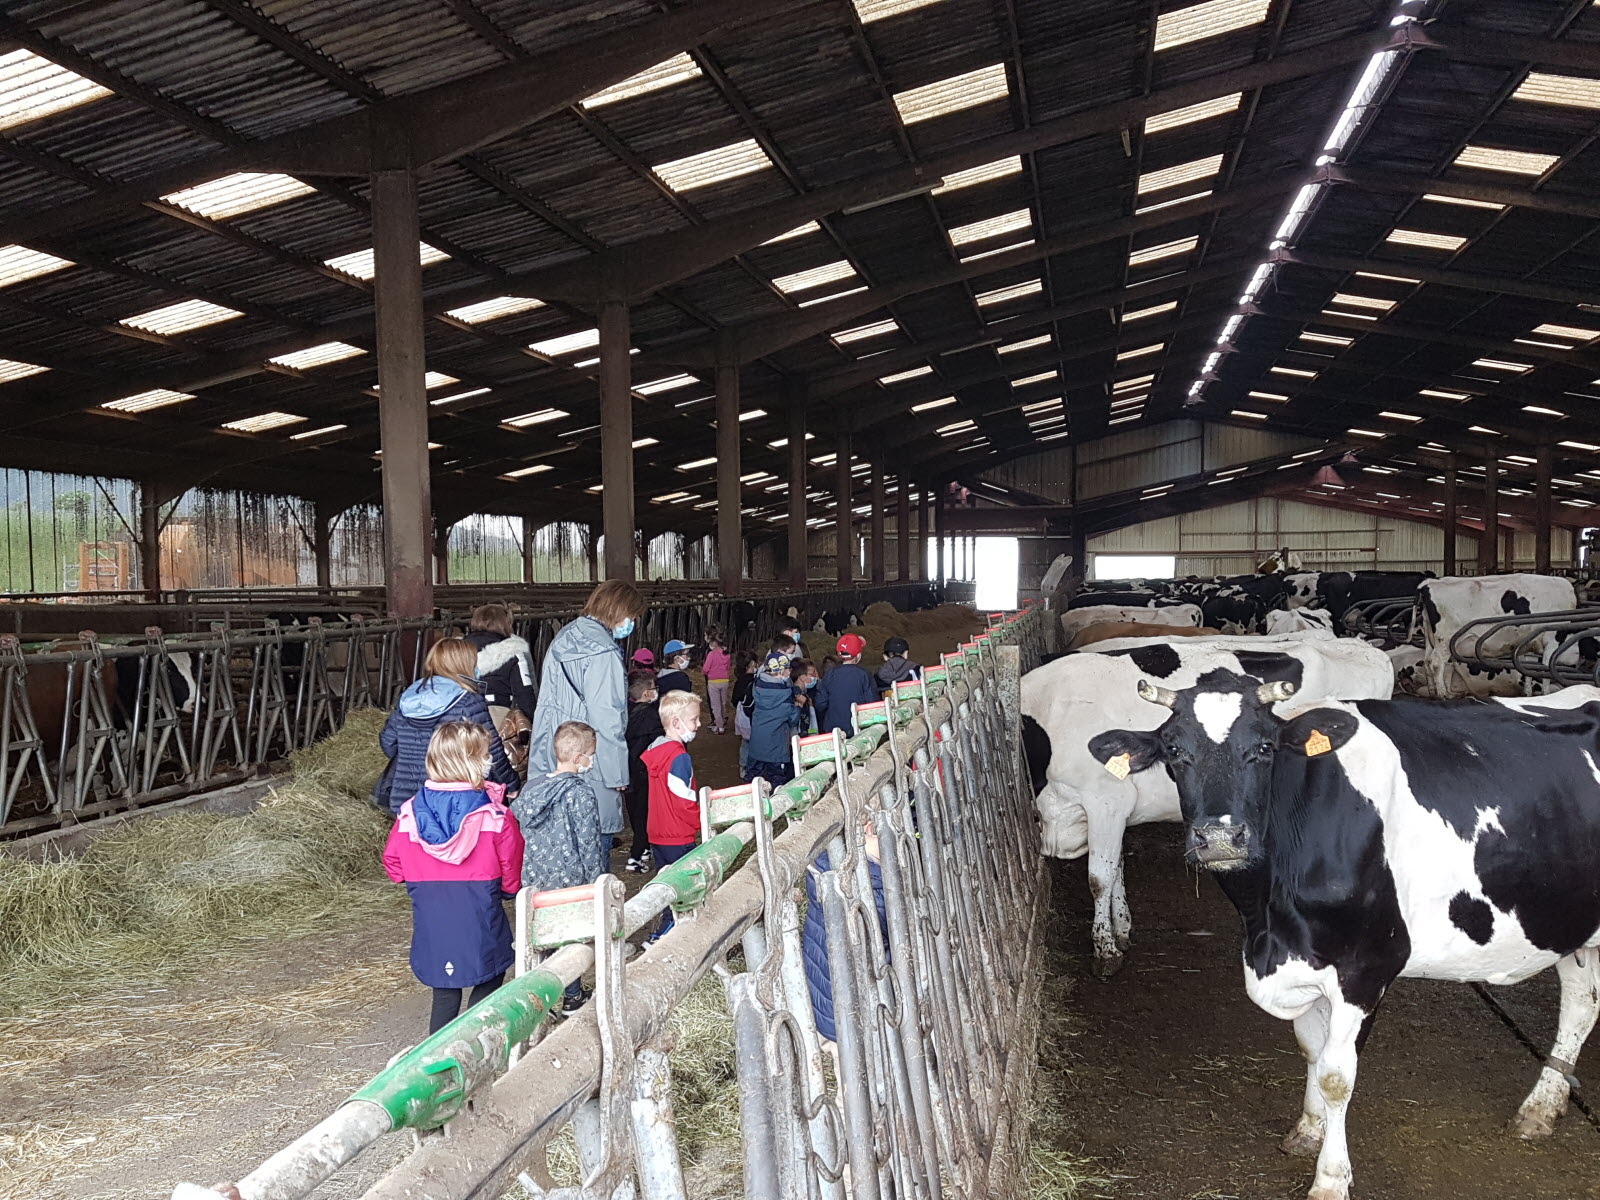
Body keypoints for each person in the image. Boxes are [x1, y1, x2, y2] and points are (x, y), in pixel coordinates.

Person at [383, 721, 524, 1034]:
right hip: (479, 911)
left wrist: (419, 880)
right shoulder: (495, 816)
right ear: (474, 762)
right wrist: (507, 890)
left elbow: (393, 862)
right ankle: (472, 1039)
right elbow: (511, 868)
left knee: (444, 991)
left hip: (433, 915)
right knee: (490, 973)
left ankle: (436, 1060)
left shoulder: (409, 813)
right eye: (486, 754)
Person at [528, 579, 646, 872]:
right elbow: (607, 717)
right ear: (619, 612)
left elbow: (546, 706)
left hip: (557, 752)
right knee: (595, 840)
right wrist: (618, 771)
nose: (632, 623)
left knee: (563, 846)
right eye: (632, 617)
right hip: (591, 759)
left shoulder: (563, 639)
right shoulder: (603, 653)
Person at [511, 720, 604, 1012]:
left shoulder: (534, 787)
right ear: (579, 758)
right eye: (592, 754)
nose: (593, 760)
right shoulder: (580, 793)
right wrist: (596, 884)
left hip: (536, 877)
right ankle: (572, 996)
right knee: (570, 937)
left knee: (543, 937)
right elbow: (589, 843)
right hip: (571, 878)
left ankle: (542, 998)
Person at [378, 638, 520, 815]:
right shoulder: (468, 702)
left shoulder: (409, 697)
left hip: (406, 798)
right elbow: (492, 751)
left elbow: (388, 742)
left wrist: (412, 760)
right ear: (465, 664)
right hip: (454, 799)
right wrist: (511, 784)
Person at [801, 829, 888, 1046]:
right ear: (870, 830)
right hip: (857, 1010)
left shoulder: (825, 864)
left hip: (829, 1006)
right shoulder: (868, 885)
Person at [640, 689, 703, 939]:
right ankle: (663, 937)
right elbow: (683, 800)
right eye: (694, 719)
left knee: (667, 885)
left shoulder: (657, 750)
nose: (698, 724)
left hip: (658, 831)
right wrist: (701, 820)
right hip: (678, 833)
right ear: (676, 723)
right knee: (683, 892)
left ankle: (662, 933)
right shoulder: (679, 757)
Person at [463, 603, 536, 727]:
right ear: (505, 624)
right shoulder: (513, 651)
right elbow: (524, 694)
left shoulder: (457, 650)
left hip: (462, 715)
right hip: (497, 715)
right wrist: (533, 723)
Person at [744, 650, 806, 788]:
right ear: (782, 671)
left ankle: (751, 805)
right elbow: (794, 719)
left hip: (756, 746)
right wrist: (798, 705)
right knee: (776, 783)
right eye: (788, 669)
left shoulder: (757, 686)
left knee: (752, 782)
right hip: (776, 750)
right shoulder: (784, 699)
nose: (789, 672)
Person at [624, 672, 662, 874]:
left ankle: (644, 847)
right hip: (646, 771)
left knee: (635, 812)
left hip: (627, 769)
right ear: (648, 693)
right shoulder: (652, 716)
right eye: (654, 688)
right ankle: (635, 856)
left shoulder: (625, 713)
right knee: (646, 813)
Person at [814, 633, 881, 737]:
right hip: (858, 727)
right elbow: (872, 702)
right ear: (858, 655)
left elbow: (820, 703)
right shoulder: (864, 674)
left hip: (833, 729)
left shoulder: (830, 674)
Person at [730, 650, 757, 774]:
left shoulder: (739, 681)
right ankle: (753, 766)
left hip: (742, 716)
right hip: (753, 715)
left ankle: (743, 766)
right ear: (751, 664)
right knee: (755, 742)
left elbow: (734, 700)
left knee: (745, 742)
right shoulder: (755, 681)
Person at [702, 631, 732, 734]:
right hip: (724, 680)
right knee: (723, 703)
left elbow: (706, 668)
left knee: (715, 705)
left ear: (714, 643)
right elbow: (728, 667)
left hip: (713, 681)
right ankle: (722, 721)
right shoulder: (727, 654)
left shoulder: (711, 654)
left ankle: (720, 727)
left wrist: (704, 672)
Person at [791, 657, 820, 736]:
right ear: (802, 677)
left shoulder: (806, 696)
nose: (815, 677)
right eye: (811, 674)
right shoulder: (793, 695)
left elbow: (810, 722)